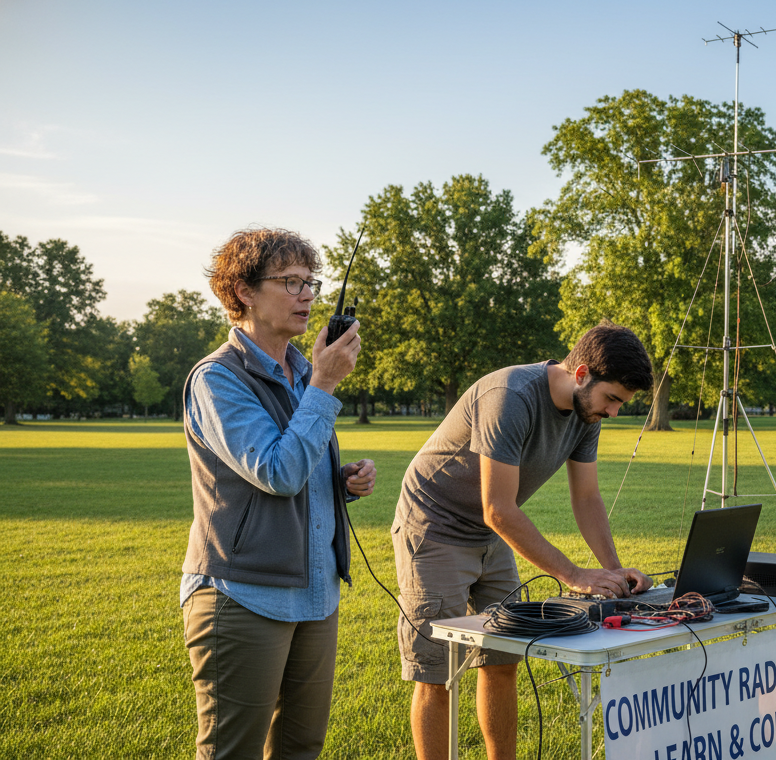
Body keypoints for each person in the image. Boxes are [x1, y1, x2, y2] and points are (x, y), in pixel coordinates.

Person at [393, 322, 656, 760]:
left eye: (620, 404)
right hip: (434, 525)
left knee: (503, 657)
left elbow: (587, 498)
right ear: (582, 374)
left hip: (492, 531)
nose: (613, 412)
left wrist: (614, 572)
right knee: (437, 671)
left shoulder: (586, 414)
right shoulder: (511, 396)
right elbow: (498, 508)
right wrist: (573, 575)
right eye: (612, 398)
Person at [181, 228, 377, 759]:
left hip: (314, 591)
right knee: (233, 751)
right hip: (243, 594)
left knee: (301, 746)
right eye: (291, 282)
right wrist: (325, 386)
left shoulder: (303, 373)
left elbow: (295, 468)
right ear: (244, 291)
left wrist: (340, 482)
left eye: (311, 282)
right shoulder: (217, 379)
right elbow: (276, 472)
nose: (307, 295)